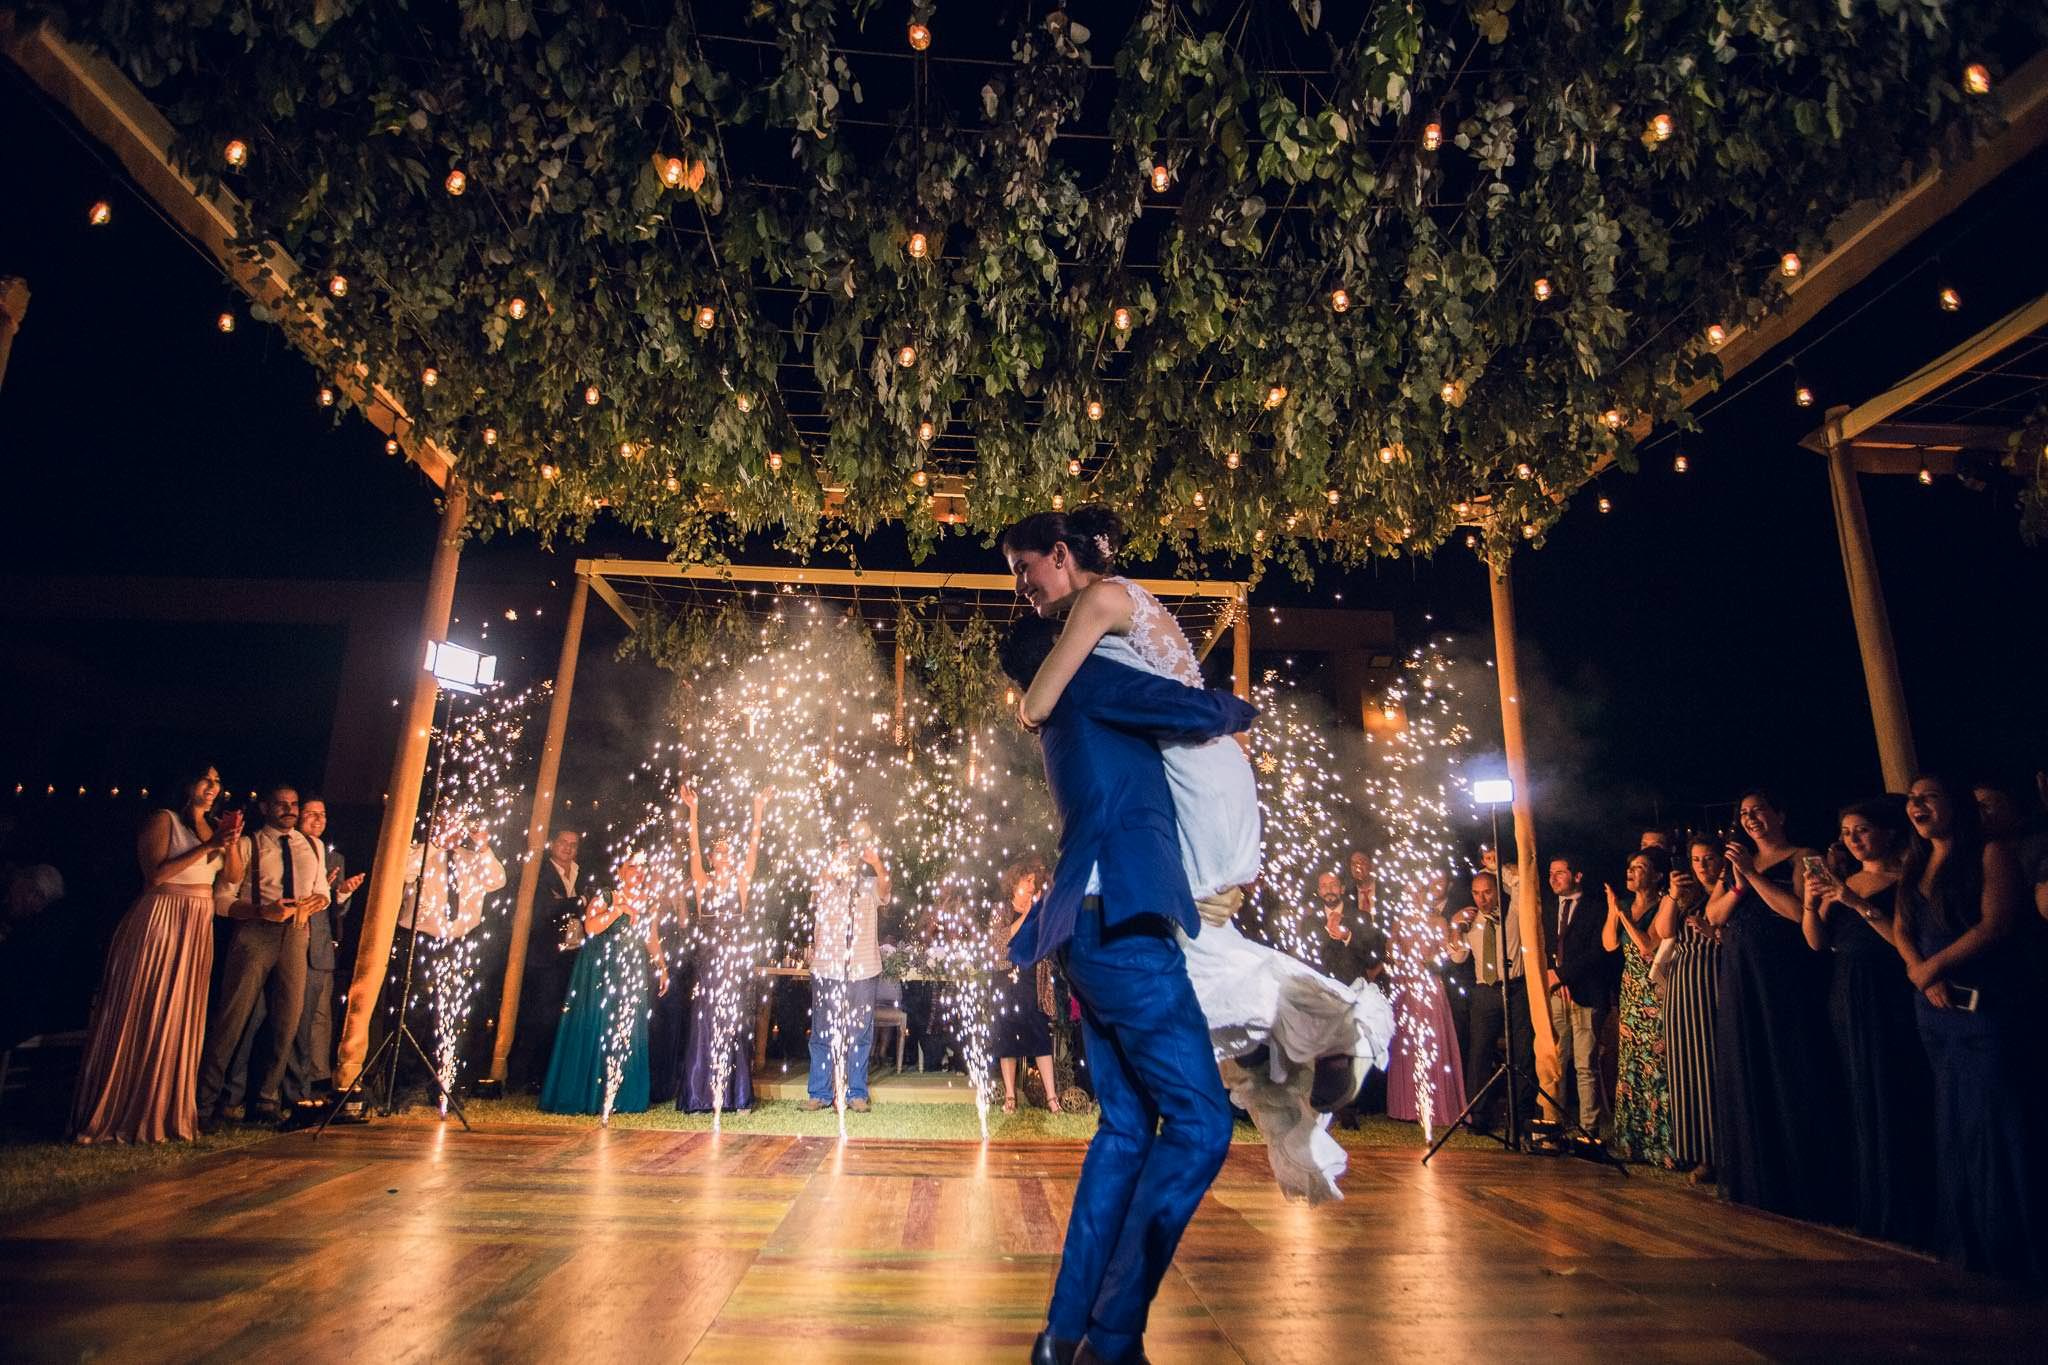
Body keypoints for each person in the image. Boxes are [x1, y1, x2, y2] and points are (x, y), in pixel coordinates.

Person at [1006, 504, 1390, 1203]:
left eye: (1024, 569)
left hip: (1194, 767)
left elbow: (1041, 701)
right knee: (1193, 939)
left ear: (1061, 554)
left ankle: (1325, 1031)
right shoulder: (1112, 603)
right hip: (1198, 765)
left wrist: (1027, 708)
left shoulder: (1099, 599)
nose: (1020, 587)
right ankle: (1304, 1042)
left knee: (1189, 935)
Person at [995, 610, 1253, 1365]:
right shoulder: (1087, 684)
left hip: (1087, 933)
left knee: (1126, 1131)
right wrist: (1241, 709)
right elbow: (1184, 707)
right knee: (1202, 1123)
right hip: (1125, 930)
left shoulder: (1060, 712)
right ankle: (1111, 1333)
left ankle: (1062, 1335)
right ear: (1065, 652)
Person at [1892, 774, 2043, 1280]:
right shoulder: (1915, 862)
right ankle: (1970, 1241)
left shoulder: (1989, 853)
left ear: (1954, 803)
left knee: (1997, 1120)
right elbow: (1902, 926)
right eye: (1912, 799)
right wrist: (1918, 970)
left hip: (1983, 1004)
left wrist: (1934, 968)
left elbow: (1994, 924)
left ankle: (2015, 1246)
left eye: (1928, 797)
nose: (1917, 805)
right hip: (1934, 1010)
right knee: (1954, 1120)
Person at [72, 763, 245, 1143]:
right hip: (163, 917)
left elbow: (233, 877)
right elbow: (155, 874)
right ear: (187, 781)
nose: (213, 787)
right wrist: (208, 846)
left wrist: (228, 842)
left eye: (217, 781)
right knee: (147, 1006)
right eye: (206, 779)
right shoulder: (163, 819)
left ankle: (164, 1108)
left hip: (197, 923)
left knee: (180, 1011)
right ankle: (122, 1108)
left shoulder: (213, 825)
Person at [1707, 789, 1848, 1222]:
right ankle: (1757, 1178)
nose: (1750, 818)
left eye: (1759, 810)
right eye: (1744, 813)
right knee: (1747, 1062)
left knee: (1791, 1062)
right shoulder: (1737, 864)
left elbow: (1799, 913)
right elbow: (1714, 915)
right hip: (1741, 975)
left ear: (1780, 814)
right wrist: (1738, 882)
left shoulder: (1806, 857)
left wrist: (1753, 876)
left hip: (1785, 974)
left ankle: (1803, 1180)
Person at [1800, 798, 1933, 1246]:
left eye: (1862, 830)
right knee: (1857, 1087)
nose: (1853, 839)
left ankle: (1909, 1204)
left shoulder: (1907, 879)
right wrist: (1812, 904)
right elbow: (1816, 943)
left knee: (1894, 1085)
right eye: (1847, 832)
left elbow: (1905, 942)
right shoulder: (1844, 882)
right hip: (1845, 987)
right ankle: (1871, 1200)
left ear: (1888, 832)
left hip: (1888, 988)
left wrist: (1857, 903)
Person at [198, 785, 329, 1129]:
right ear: (266, 808)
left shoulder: (312, 845)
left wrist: (318, 901)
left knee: (287, 1020)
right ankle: (205, 1104)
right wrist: (261, 911)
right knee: (233, 1018)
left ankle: (265, 1100)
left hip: (297, 933)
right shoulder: (249, 844)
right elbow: (221, 900)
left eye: (294, 804)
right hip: (255, 932)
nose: (289, 810)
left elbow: (322, 891)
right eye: (281, 804)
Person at [540, 854, 667, 1117]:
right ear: (620, 871)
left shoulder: (649, 901)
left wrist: (662, 967)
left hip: (631, 969)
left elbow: (650, 936)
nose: (638, 872)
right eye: (631, 867)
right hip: (602, 969)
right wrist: (618, 910)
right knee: (599, 1023)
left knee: (626, 1026)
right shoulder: (606, 896)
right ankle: (591, 1092)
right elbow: (591, 927)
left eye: (642, 868)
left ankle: (623, 1093)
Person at [677, 786, 769, 1113]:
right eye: (719, 851)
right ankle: (700, 1095)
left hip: (733, 962)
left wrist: (758, 809)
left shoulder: (742, 883)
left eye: (729, 851)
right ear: (712, 858)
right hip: (708, 961)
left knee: (732, 1021)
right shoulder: (702, 883)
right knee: (705, 1021)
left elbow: (754, 848)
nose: (725, 855)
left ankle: (736, 1094)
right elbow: (692, 848)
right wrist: (693, 810)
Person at [1652, 836, 1725, 1183]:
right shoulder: (1688, 897)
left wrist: (1714, 934)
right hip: (1683, 985)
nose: (1701, 866)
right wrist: (1672, 894)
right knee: (1687, 1069)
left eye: (1708, 858)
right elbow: (1664, 930)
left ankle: (1724, 1151)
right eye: (1695, 860)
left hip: (1716, 981)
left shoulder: (1730, 892)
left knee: (1714, 1067)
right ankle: (1698, 1153)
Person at [804, 818, 891, 1113]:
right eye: (841, 852)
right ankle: (819, 1092)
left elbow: (885, 886)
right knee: (822, 1032)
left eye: (850, 853)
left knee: (860, 1033)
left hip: (863, 970)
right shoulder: (824, 884)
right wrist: (836, 859)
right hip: (827, 969)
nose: (847, 858)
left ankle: (856, 1093)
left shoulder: (867, 886)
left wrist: (875, 863)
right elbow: (819, 885)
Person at [283, 797, 362, 1102]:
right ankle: (292, 1088)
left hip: (322, 947)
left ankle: (318, 1081)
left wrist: (341, 893)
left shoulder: (334, 857)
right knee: (295, 1019)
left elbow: (337, 912)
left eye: (323, 814)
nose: (318, 820)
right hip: (293, 939)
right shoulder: (288, 849)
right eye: (310, 814)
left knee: (320, 1018)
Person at [1539, 853, 1619, 1141]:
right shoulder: (1548, 909)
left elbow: (1597, 952)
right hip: (1556, 994)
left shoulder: (1595, 908)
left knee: (1585, 1064)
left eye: (1560, 872)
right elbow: (1544, 946)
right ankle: (1554, 1123)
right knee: (1556, 1061)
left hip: (1586, 993)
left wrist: (1564, 975)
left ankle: (1589, 1128)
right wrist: (1554, 976)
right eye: (1551, 873)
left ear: (1577, 875)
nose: (1553, 878)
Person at [508, 828, 592, 1090]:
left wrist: (570, 902)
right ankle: (523, 1075)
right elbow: (545, 908)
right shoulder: (540, 871)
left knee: (562, 1015)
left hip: (573, 953)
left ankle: (548, 1074)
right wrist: (579, 901)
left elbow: (585, 905)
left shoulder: (580, 873)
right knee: (539, 1014)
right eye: (563, 842)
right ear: (552, 844)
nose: (568, 848)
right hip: (546, 955)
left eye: (573, 844)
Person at [1455, 868, 1536, 1137]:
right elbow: (1457, 957)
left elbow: (1521, 886)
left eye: (1487, 892)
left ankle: (1520, 1117)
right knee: (1479, 1054)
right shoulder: (1471, 920)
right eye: (1476, 893)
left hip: (1515, 988)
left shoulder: (1513, 911)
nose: (1482, 899)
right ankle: (1479, 1116)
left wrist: (1496, 868)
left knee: (1522, 1053)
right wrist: (1455, 928)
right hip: (1484, 991)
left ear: (1498, 891)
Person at [1603, 848, 1672, 1165]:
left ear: (1657, 875)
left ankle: (1661, 1143)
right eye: (1630, 866)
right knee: (1631, 1061)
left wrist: (1623, 916)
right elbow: (1609, 944)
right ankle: (1633, 1142)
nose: (1632, 872)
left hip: (1654, 988)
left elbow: (1647, 945)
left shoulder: (1663, 905)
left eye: (1640, 867)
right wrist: (1612, 912)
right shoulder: (1624, 906)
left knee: (1655, 1063)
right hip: (1630, 988)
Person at [1384, 875, 1466, 1130]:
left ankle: (1436, 1105)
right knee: (1406, 1044)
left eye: (1417, 892)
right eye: (1408, 893)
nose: (1413, 897)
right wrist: (1398, 958)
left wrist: (1431, 961)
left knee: (1433, 1043)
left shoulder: (1438, 921)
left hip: (1430, 986)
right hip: (1406, 987)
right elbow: (1390, 953)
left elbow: (1447, 954)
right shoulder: (1399, 923)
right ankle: (1407, 1106)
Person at [991, 857, 1060, 1114]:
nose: (1032, 886)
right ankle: (1010, 1096)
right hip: (1006, 982)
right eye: (1027, 881)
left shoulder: (1040, 911)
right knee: (1007, 1039)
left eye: (1034, 881)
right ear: (1014, 884)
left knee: (1041, 1037)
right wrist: (1027, 915)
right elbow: (999, 944)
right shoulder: (1000, 910)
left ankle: (1052, 1098)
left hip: (1033, 982)